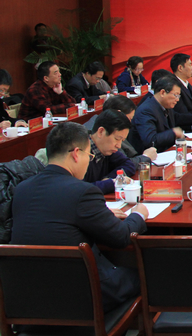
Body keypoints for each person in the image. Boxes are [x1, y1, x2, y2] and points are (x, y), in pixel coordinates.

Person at [10, 121, 149, 312]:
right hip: (80, 296)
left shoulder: (22, 189)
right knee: (146, 273)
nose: (89, 161)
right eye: (89, 156)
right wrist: (138, 214)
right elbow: (121, 237)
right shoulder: (83, 192)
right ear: (76, 153)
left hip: (28, 299)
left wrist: (99, 214)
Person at [83, 109, 138, 194]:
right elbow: (79, 189)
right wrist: (111, 183)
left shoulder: (108, 150)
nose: (119, 146)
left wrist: (110, 178)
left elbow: (129, 165)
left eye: (122, 140)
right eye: (117, 139)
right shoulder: (81, 153)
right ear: (101, 132)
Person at [128, 75, 184, 153]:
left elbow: (178, 118)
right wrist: (173, 133)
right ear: (163, 93)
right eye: (175, 95)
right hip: (151, 156)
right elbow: (151, 140)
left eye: (178, 96)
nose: (177, 99)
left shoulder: (166, 105)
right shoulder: (146, 110)